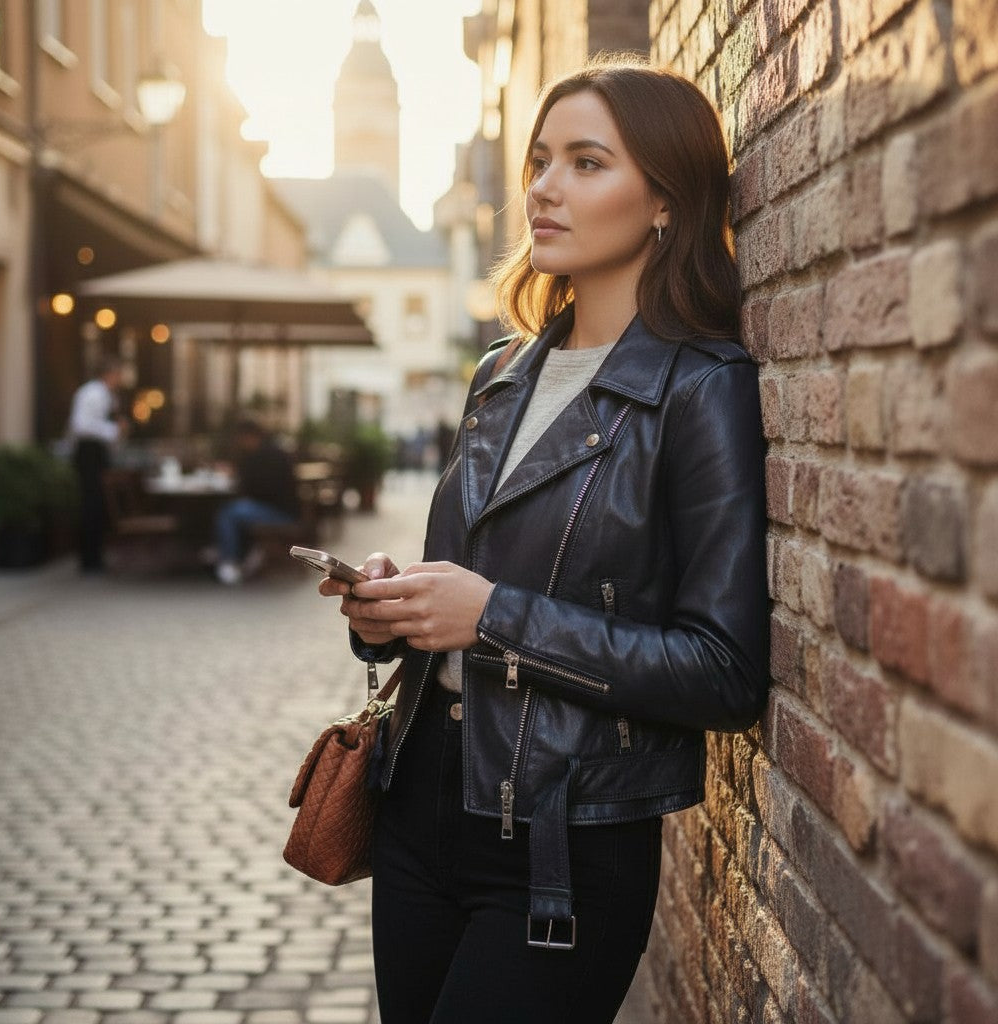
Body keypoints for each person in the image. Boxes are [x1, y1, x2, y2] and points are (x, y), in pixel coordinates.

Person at [320, 56, 769, 1024]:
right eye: (538, 160)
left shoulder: (700, 386)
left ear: (663, 200)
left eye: (585, 162)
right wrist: (389, 607)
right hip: (419, 801)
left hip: (564, 836)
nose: (543, 187)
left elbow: (723, 672)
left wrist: (490, 618)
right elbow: (471, 585)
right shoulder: (500, 374)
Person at [214, 419, 299, 584]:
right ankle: (235, 553)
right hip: (281, 509)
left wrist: (237, 476)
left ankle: (229, 561)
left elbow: (261, 489)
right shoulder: (270, 452)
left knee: (229, 513)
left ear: (249, 437)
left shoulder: (267, 456)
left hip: (279, 512)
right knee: (233, 510)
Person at [68, 355, 127, 572]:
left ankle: (95, 556)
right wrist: (112, 430)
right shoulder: (91, 393)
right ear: (110, 374)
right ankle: (88, 559)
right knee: (91, 504)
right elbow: (80, 425)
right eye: (119, 375)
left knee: (99, 504)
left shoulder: (108, 396)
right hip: (88, 453)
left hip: (98, 453)